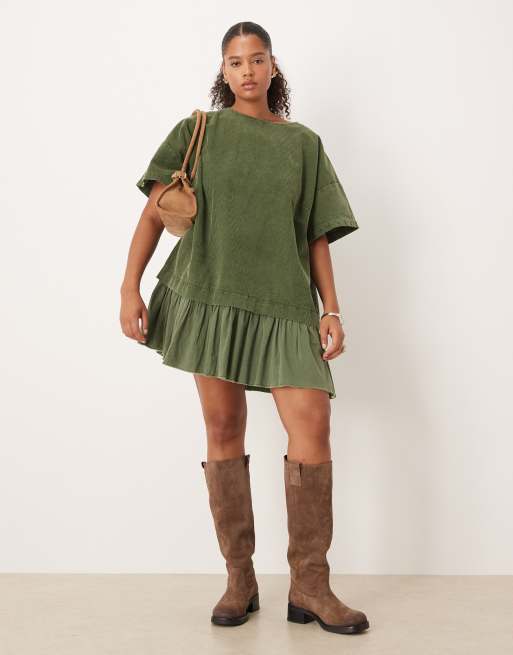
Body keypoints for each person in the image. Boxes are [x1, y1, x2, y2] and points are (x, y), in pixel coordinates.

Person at [120, 21, 369, 636]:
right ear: (223, 71)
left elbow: (315, 233)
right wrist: (130, 288)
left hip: (285, 304)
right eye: (235, 62)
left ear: (273, 66)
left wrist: (331, 308)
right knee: (223, 427)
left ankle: (311, 585)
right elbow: (153, 214)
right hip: (211, 297)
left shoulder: (303, 144)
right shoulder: (198, 131)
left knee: (312, 425)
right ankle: (240, 579)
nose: (247, 71)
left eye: (257, 59)